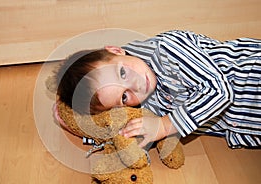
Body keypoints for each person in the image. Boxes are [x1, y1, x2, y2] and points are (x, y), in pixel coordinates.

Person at [56, 30, 261, 149]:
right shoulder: (144, 102)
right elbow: (126, 134)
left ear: (116, 50)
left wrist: (164, 125)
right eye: (124, 97)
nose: (136, 85)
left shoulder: (166, 50)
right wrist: (78, 126)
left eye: (123, 73)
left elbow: (219, 91)